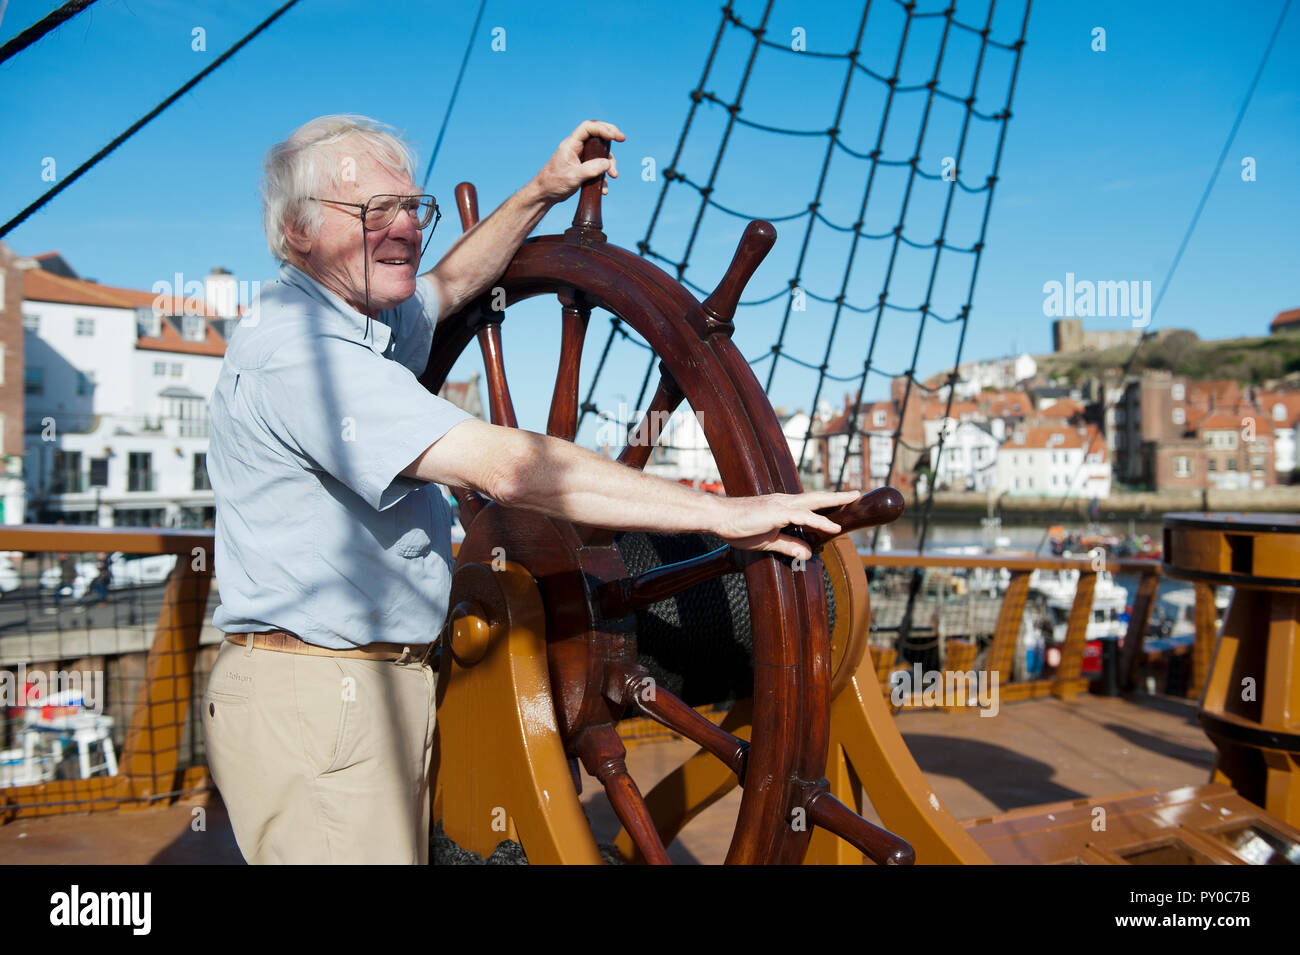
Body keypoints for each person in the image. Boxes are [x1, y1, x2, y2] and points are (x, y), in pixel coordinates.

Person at [201, 115, 859, 865]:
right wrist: (723, 513)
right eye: (371, 212)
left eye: (413, 207)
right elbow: (508, 470)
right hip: (320, 699)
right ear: (297, 232)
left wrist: (542, 191)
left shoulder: (359, 324)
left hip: (374, 686)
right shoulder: (304, 355)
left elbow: (450, 284)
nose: (404, 229)